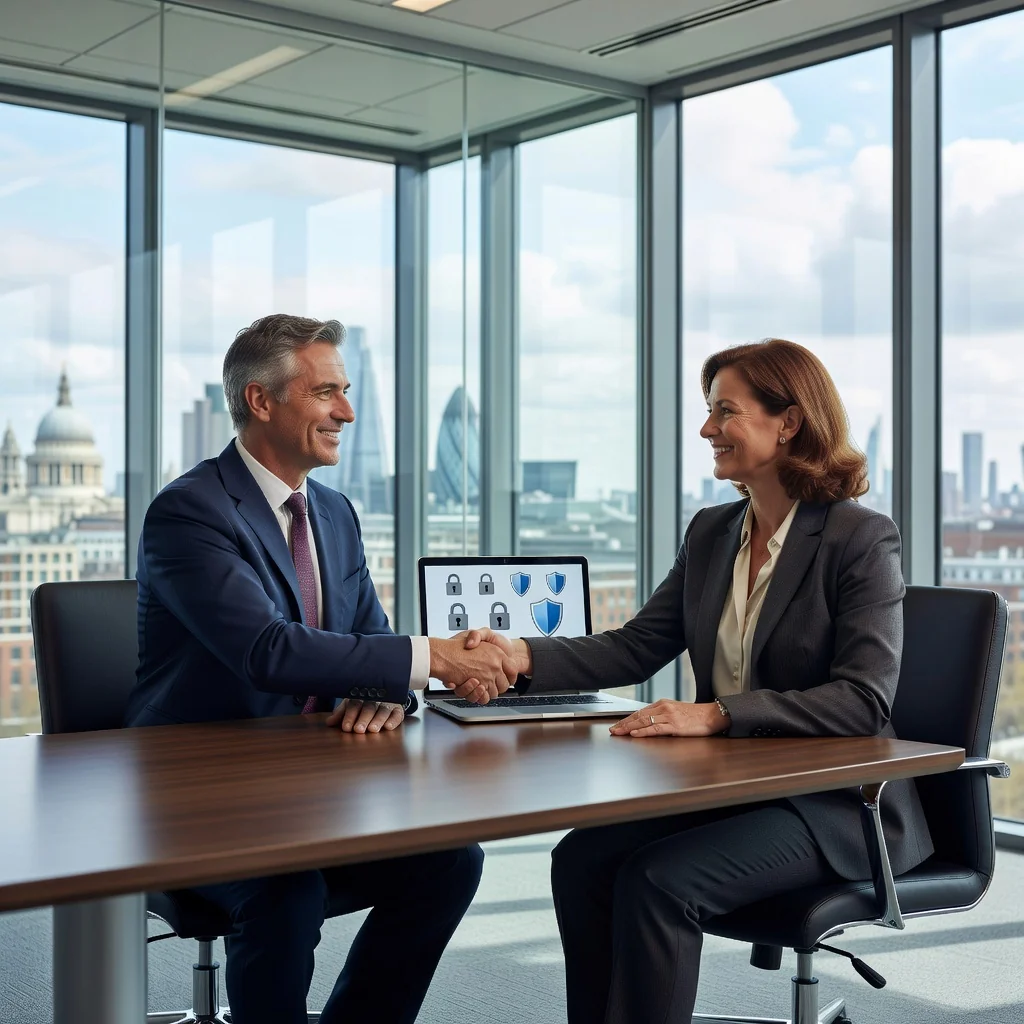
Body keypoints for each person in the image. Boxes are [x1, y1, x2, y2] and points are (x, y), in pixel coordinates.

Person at [468, 338, 933, 1024]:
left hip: (834, 805)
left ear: (789, 422)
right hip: (733, 789)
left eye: (724, 411)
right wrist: (519, 656)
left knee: (660, 882)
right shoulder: (714, 531)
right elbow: (636, 646)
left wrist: (716, 714)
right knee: (581, 861)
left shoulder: (858, 538)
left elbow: (863, 701)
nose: (706, 428)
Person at [126, 314, 515, 1024]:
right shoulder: (190, 512)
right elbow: (268, 649)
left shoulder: (334, 513)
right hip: (201, 795)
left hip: (312, 786)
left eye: (347, 391)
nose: (347, 412)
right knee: (287, 891)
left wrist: (390, 692)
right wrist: (431, 658)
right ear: (261, 400)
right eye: (326, 392)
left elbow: (370, 640)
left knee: (451, 860)